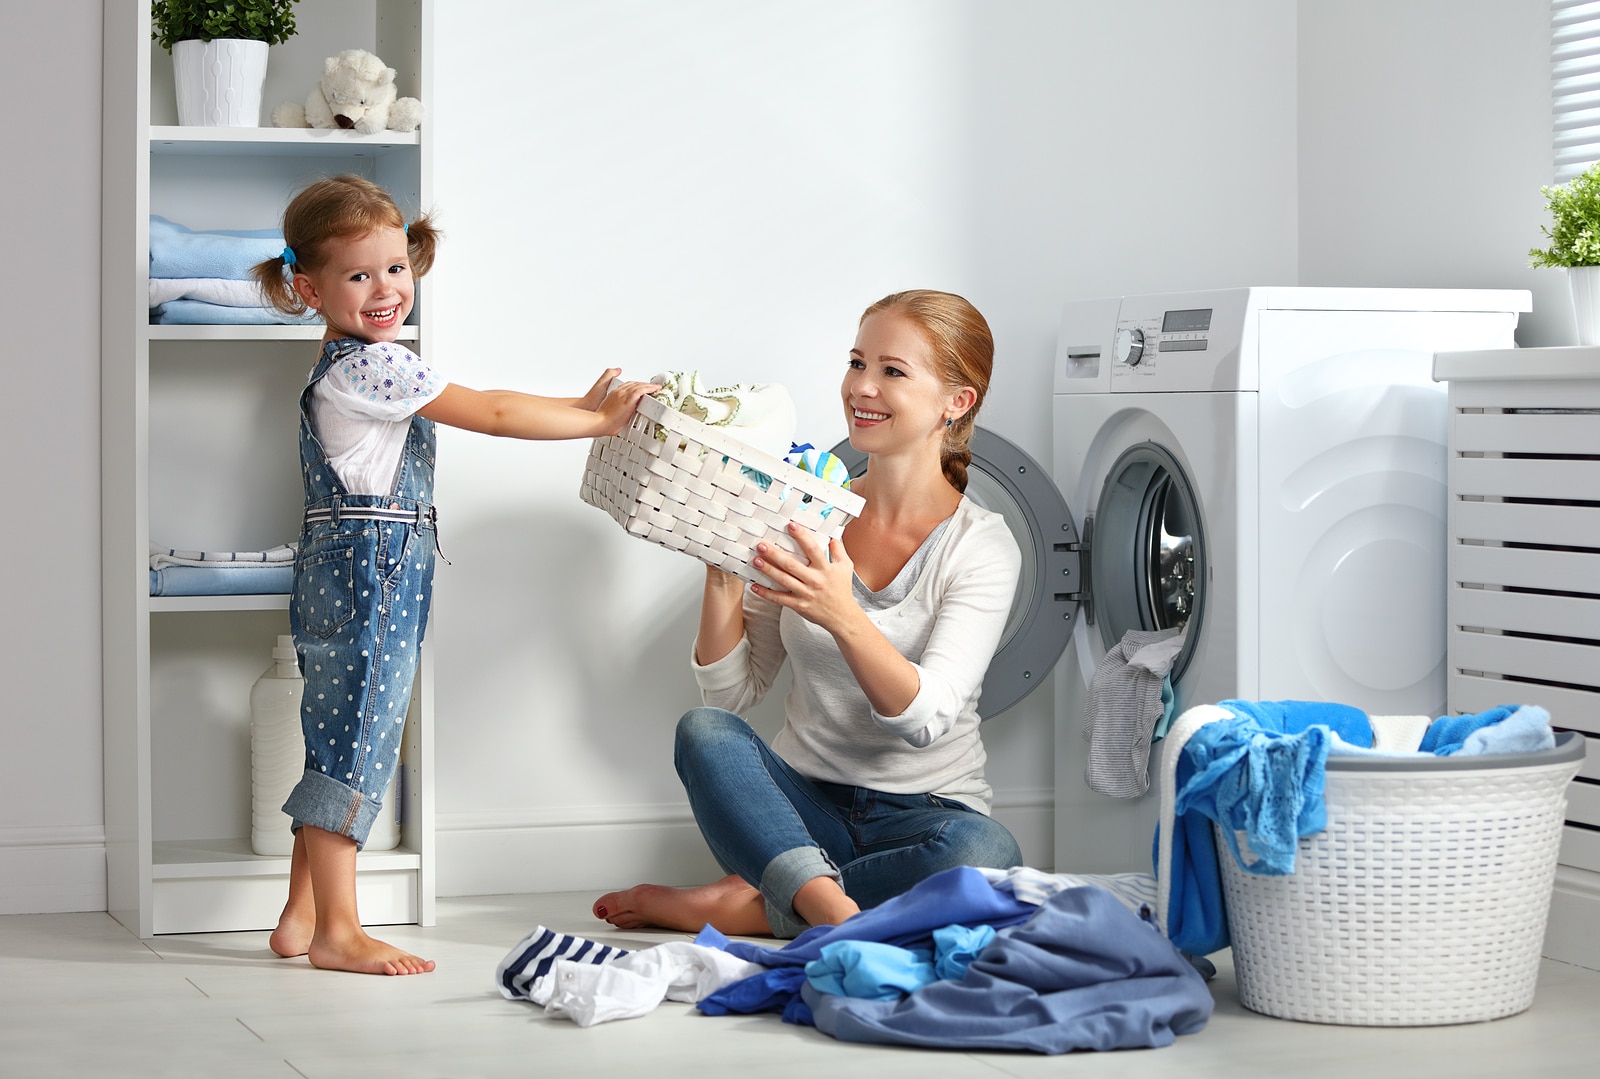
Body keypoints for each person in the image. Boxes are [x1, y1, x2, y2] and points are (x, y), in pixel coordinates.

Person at [251, 174, 657, 975]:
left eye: (396, 268)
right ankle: (340, 930)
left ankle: (301, 914)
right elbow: (494, 411)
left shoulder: (350, 362)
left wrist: (579, 405)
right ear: (309, 286)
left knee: (339, 732)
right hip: (373, 572)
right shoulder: (375, 367)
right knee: (358, 741)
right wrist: (595, 420)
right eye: (359, 274)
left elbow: (496, 400)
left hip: (352, 565)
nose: (385, 289)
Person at [593, 289, 1023, 939]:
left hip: (928, 815)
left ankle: (754, 904)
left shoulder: (981, 545)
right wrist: (722, 571)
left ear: (956, 402)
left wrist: (841, 613)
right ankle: (831, 910)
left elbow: (926, 720)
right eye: (857, 363)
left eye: (892, 371)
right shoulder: (805, 512)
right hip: (801, 807)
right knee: (704, 732)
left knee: (987, 857)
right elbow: (733, 693)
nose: (861, 387)